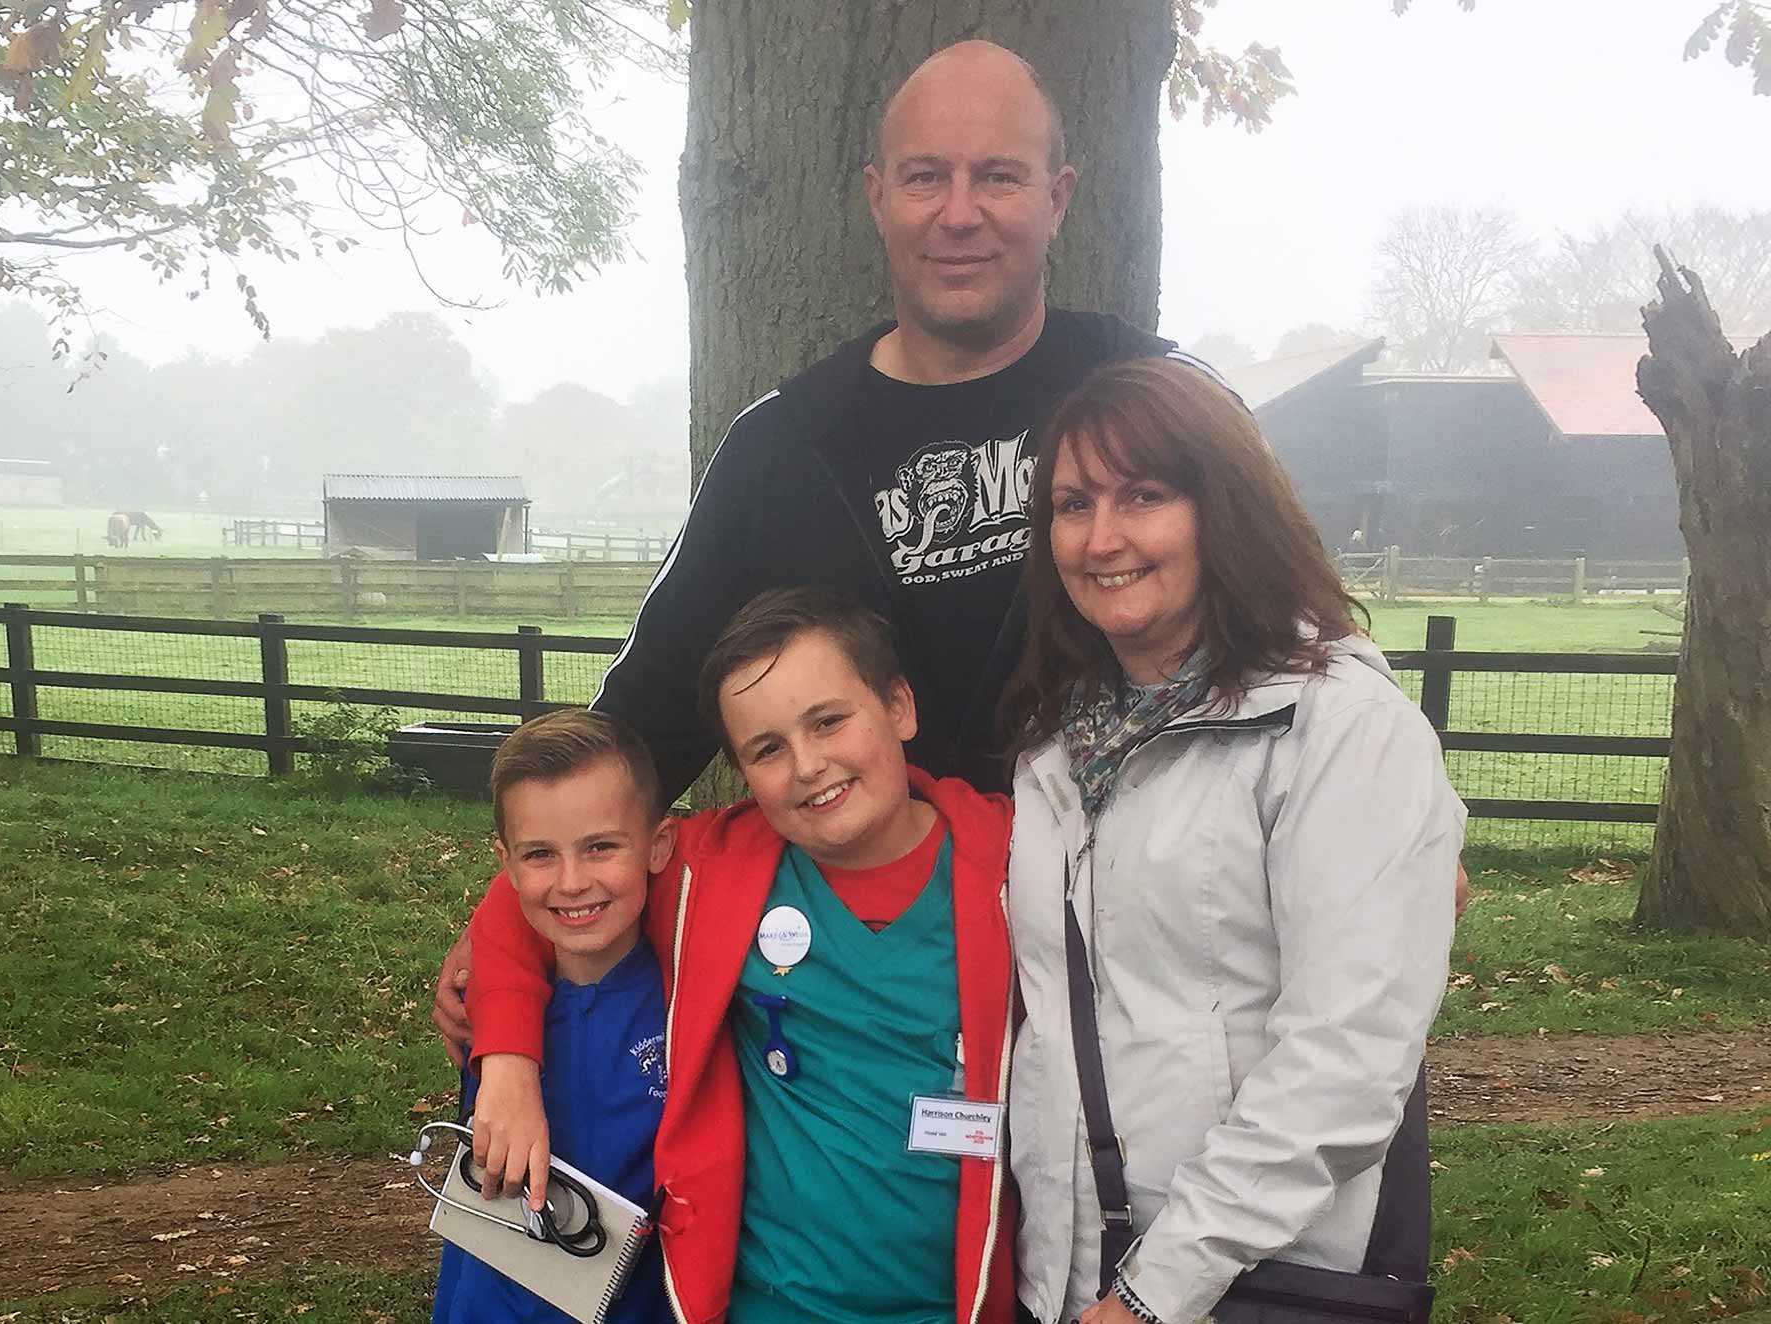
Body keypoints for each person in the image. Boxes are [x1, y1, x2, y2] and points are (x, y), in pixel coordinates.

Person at [437, 36, 1219, 1056]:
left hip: (1137, 953)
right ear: (874, 195)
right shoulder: (782, 447)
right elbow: (646, 712)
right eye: (924, 177)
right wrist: (508, 909)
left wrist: (1384, 811)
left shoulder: (1150, 393)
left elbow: (1291, 622)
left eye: (998, 177)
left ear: (1058, 195)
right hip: (874, 985)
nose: (958, 212)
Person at [996, 357, 1462, 1324]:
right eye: (1073, 504)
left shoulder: (1335, 728)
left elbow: (1346, 1058)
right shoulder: (1054, 748)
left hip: (1256, 1276)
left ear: (1223, 508)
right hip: (1075, 1272)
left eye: (1145, 496)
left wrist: (1154, 1294)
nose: (1103, 537)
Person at [466, 588, 1021, 1324]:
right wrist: (506, 1065)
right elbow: (538, 893)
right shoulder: (714, 872)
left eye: (828, 721)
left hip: (962, 1300)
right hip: (768, 1304)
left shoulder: (1019, 863)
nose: (807, 765)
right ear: (740, 772)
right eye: (767, 749)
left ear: (898, 707)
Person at [430, 710, 677, 1324]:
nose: (572, 881)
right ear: (506, 864)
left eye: (600, 847)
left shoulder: (691, 997)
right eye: (540, 854)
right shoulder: (486, 1010)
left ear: (658, 845)